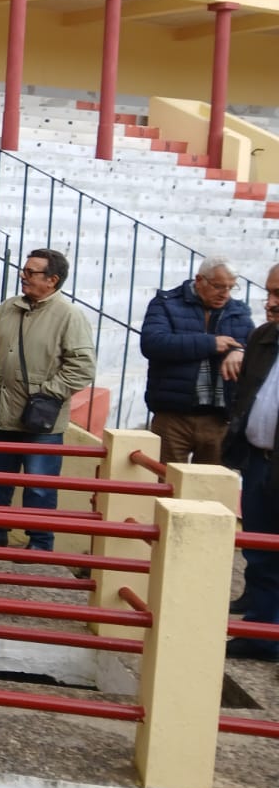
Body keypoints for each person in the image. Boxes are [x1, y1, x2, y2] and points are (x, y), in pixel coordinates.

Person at [0, 249, 97, 551]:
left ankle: (41, 542)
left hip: (41, 418)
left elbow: (82, 367)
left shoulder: (69, 315)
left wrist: (47, 392)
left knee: (40, 484)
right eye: (24, 270)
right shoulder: (7, 308)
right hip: (0, 410)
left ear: (52, 279)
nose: (23, 276)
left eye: (31, 272)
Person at [140, 256, 252, 465]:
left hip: (218, 419)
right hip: (173, 416)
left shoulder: (238, 311)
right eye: (218, 286)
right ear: (199, 280)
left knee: (210, 483)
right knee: (166, 481)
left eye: (231, 287)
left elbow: (253, 346)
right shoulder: (166, 303)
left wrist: (240, 351)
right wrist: (210, 344)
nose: (225, 294)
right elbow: (152, 343)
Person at [220, 262, 279, 660]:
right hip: (258, 461)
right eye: (269, 293)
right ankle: (261, 634)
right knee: (258, 553)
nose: (270, 302)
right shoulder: (261, 337)